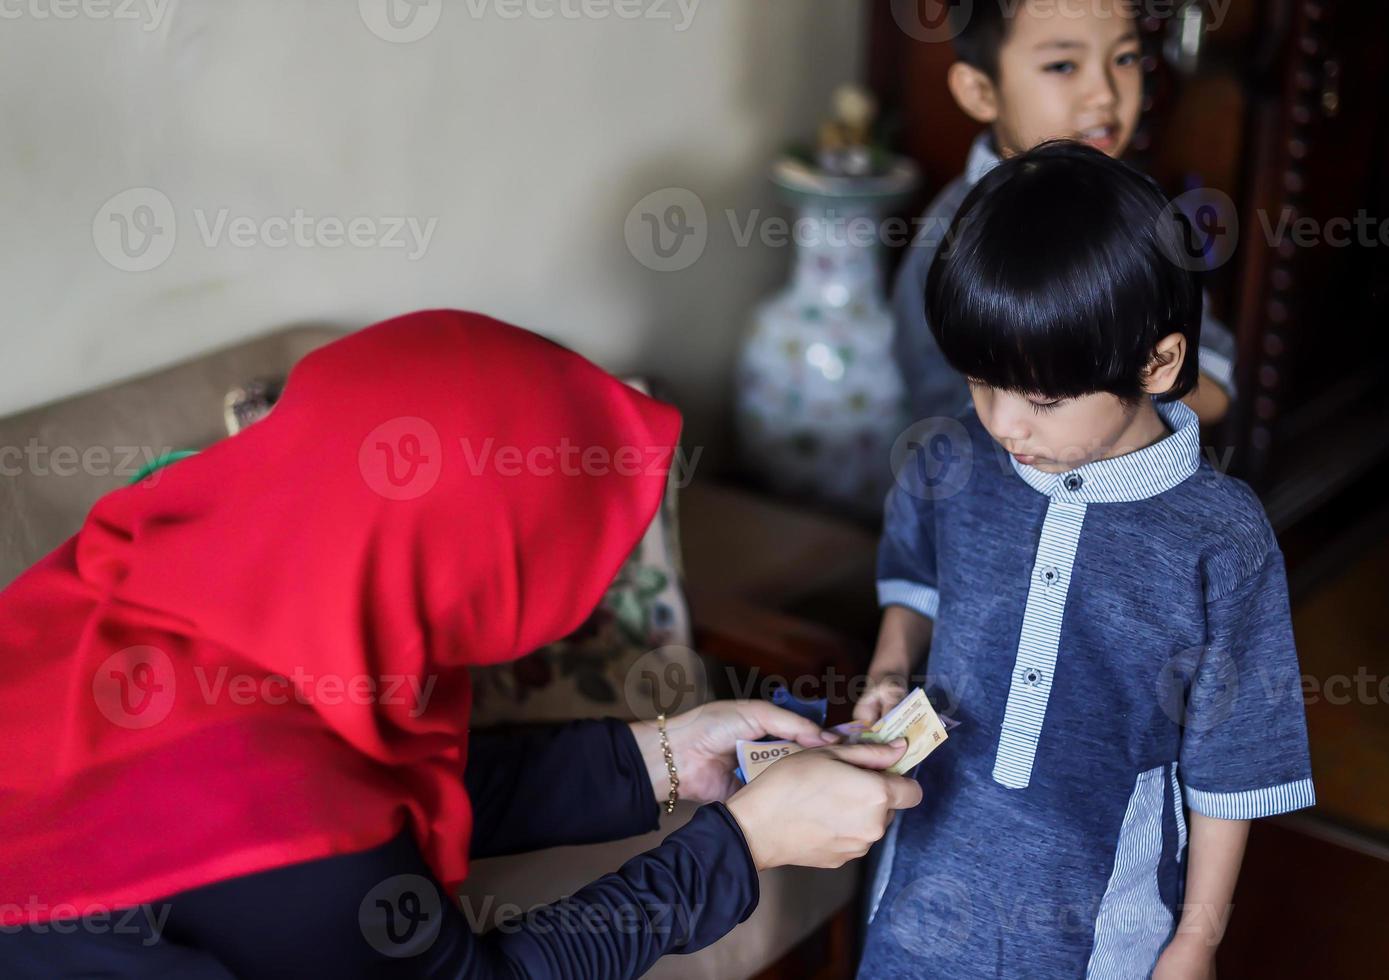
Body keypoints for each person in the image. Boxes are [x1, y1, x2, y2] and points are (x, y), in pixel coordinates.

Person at [0, 309, 921, 978]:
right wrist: (746, 843)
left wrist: (671, 759)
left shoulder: (161, 565)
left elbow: (391, 783)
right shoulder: (281, 813)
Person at [853, 144, 1314, 978]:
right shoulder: (957, 459)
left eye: (1039, 400)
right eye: (978, 382)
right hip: (922, 881)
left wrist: (1196, 941)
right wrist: (889, 670)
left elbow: (1233, 764)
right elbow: (916, 572)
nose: (1002, 424)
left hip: (1101, 922)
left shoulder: (1220, 540)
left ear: (1159, 364)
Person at [892, 0, 1237, 427]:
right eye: (1062, 66)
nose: (1106, 94)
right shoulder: (951, 238)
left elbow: (1219, 387)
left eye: (1125, 58)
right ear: (981, 91)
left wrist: (1133, 373)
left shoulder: (1146, 215)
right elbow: (945, 423)